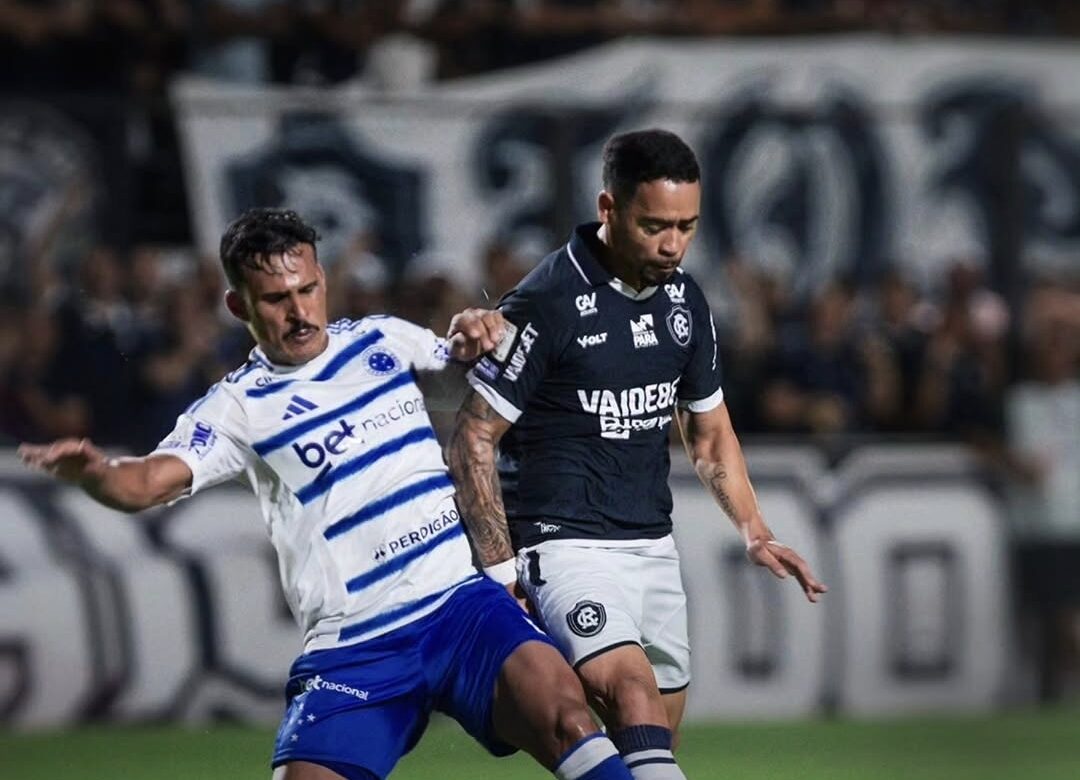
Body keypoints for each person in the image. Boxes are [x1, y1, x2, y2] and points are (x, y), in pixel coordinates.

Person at [18, 207, 635, 780]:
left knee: (567, 717)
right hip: (355, 644)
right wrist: (98, 475)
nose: (300, 312)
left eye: (308, 289)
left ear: (321, 278)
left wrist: (480, 337)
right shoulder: (238, 406)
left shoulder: (382, 341)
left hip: (459, 608)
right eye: (277, 299)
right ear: (239, 306)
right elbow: (148, 481)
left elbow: (461, 383)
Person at [447, 129, 827, 779]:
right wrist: (500, 570)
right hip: (564, 546)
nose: (673, 244)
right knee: (632, 694)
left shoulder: (686, 302)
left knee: (646, 752)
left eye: (687, 226)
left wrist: (754, 530)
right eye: (655, 225)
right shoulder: (547, 303)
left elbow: (708, 433)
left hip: (652, 547)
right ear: (609, 208)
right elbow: (472, 439)